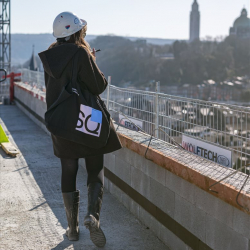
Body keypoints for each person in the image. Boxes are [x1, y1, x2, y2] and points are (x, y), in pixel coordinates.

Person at [38, 12, 122, 247]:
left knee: (68, 169)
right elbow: (99, 86)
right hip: (86, 119)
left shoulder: (49, 57)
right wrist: (92, 61)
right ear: (77, 32)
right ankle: (92, 216)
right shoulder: (81, 53)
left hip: (61, 122)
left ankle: (72, 230)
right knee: (95, 168)